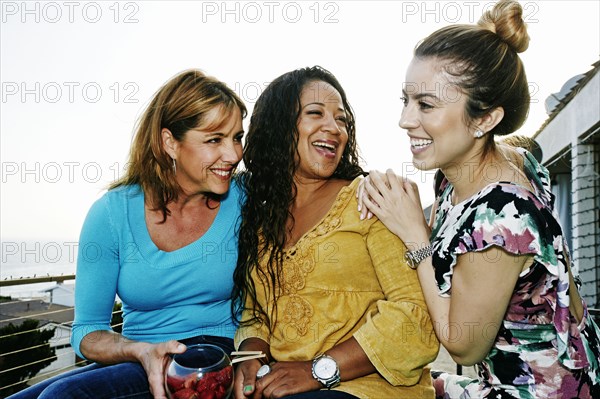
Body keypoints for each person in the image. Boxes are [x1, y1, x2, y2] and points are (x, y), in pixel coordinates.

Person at [358, 1, 600, 398]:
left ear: (485, 120)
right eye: (406, 99)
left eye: (426, 105)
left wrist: (415, 237)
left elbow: (463, 344)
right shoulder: (476, 171)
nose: (405, 119)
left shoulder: (503, 216)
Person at [8, 69, 247, 399]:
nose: (234, 154)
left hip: (215, 353)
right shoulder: (112, 213)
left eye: (237, 137)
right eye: (214, 139)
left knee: (62, 396)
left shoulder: (245, 201)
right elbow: (88, 331)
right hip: (137, 357)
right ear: (169, 143)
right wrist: (141, 351)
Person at [231, 66, 439, 399]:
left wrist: (319, 370)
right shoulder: (261, 220)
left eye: (342, 120)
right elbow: (256, 312)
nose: (334, 128)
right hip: (283, 387)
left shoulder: (371, 198)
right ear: (279, 127)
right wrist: (252, 357)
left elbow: (415, 314)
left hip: (369, 389)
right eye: (315, 113)